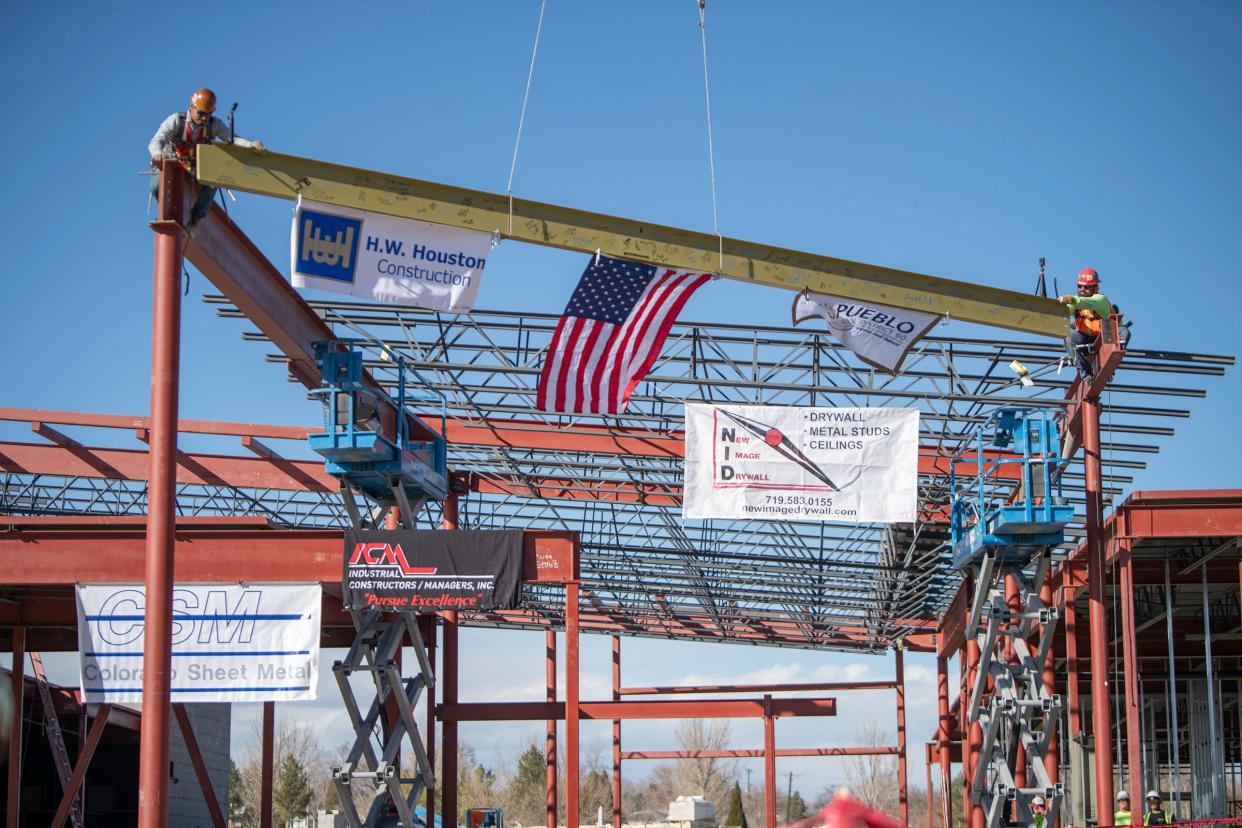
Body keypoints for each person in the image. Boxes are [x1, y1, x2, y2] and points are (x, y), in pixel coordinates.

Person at [148, 87, 266, 231]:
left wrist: (250, 144)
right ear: (192, 107)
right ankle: (166, 211)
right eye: (201, 113)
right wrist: (157, 154)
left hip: (193, 167)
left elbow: (231, 138)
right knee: (156, 186)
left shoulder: (213, 125)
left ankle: (195, 220)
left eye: (208, 114)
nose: (204, 118)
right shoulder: (177, 121)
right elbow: (156, 141)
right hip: (171, 165)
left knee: (213, 180)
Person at [1058, 267, 1112, 381]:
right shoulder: (1076, 302)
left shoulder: (1100, 300)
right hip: (1085, 341)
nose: (1082, 289)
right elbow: (1067, 309)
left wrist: (1072, 300)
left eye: (1086, 287)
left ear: (1095, 287)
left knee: (1121, 331)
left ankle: (1107, 365)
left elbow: (1087, 302)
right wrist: (1057, 306)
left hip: (1102, 340)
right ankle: (1086, 374)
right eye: (1080, 286)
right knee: (1067, 334)